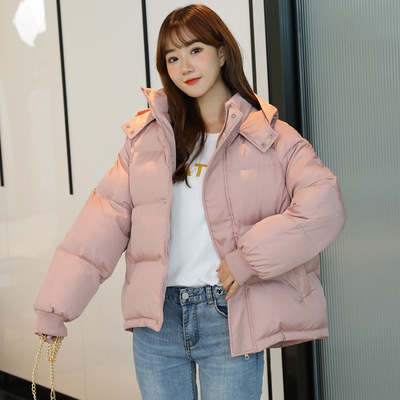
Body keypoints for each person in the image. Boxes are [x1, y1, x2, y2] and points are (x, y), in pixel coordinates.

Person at [34, 4, 346, 399]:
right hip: (157, 322)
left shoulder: (270, 136)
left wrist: (248, 259)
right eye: (173, 58)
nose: (185, 67)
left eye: (195, 50)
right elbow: (100, 224)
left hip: (228, 315)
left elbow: (324, 206)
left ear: (222, 52)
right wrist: (55, 308)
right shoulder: (148, 139)